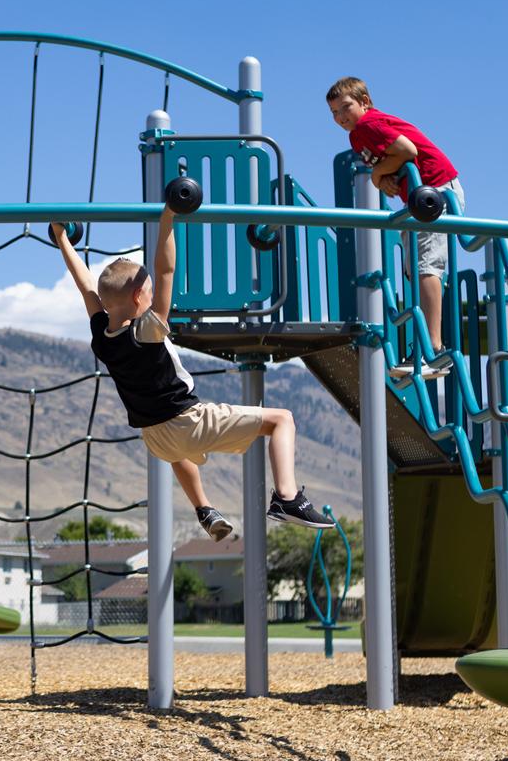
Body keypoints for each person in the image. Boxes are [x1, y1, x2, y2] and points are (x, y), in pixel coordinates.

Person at [49, 210, 335, 542]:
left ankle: (204, 509)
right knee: (281, 419)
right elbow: (165, 268)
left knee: (177, 452)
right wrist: (168, 217)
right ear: (139, 297)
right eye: (150, 292)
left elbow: (85, 285)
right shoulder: (147, 330)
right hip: (186, 421)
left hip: (154, 436)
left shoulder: (102, 335)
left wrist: (63, 240)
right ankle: (287, 498)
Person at [326, 76, 463, 377]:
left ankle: (434, 350)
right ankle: (427, 346)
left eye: (346, 107)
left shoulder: (367, 125)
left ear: (365, 102)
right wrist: (384, 174)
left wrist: (376, 176)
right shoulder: (357, 136)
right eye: (334, 112)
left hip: (435, 190)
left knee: (426, 266)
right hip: (420, 195)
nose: (340, 117)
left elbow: (407, 150)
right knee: (416, 268)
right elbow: (394, 159)